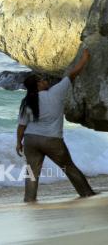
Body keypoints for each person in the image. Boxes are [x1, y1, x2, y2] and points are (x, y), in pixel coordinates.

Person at [16, 48, 96, 202]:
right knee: (69, 168)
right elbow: (72, 74)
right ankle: (87, 193)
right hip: (51, 140)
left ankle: (29, 200)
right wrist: (85, 58)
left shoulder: (27, 101)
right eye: (43, 79)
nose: (46, 80)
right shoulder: (56, 92)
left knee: (32, 173)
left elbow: (21, 126)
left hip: (30, 140)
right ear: (38, 84)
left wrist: (18, 142)